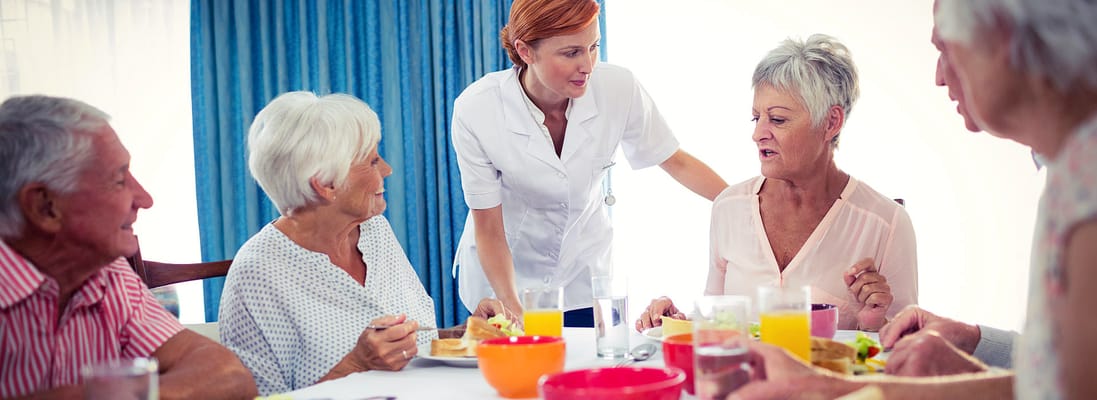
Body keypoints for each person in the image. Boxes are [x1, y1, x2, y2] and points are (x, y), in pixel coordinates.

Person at [731, 0, 1097, 398]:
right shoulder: (1071, 168)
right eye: (757, 117)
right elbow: (1065, 379)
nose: (940, 77)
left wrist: (829, 389)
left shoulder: (1086, 181)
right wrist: (976, 342)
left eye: (947, 48)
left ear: (1003, 40)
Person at [450, 0, 728, 325]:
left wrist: (751, 204)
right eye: (571, 53)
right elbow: (489, 230)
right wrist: (513, 306)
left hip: (581, 271)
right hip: (504, 274)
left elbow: (675, 161)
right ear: (525, 51)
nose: (588, 66)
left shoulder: (617, 88)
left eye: (593, 47)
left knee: (589, 364)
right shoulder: (477, 109)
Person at [217, 92, 511, 396]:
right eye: (372, 161)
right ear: (326, 184)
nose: (387, 170)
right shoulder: (257, 273)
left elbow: (409, 343)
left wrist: (463, 335)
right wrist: (356, 363)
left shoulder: (374, 231)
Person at [636, 34, 918, 333]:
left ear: (831, 123)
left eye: (778, 120)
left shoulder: (886, 224)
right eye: (756, 117)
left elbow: (906, 348)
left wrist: (875, 324)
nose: (758, 134)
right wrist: (674, 323)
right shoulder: (728, 207)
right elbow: (715, 324)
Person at [0, 95, 257, 399]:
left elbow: (229, 374)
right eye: (119, 180)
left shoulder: (109, 274)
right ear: (45, 207)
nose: (144, 199)